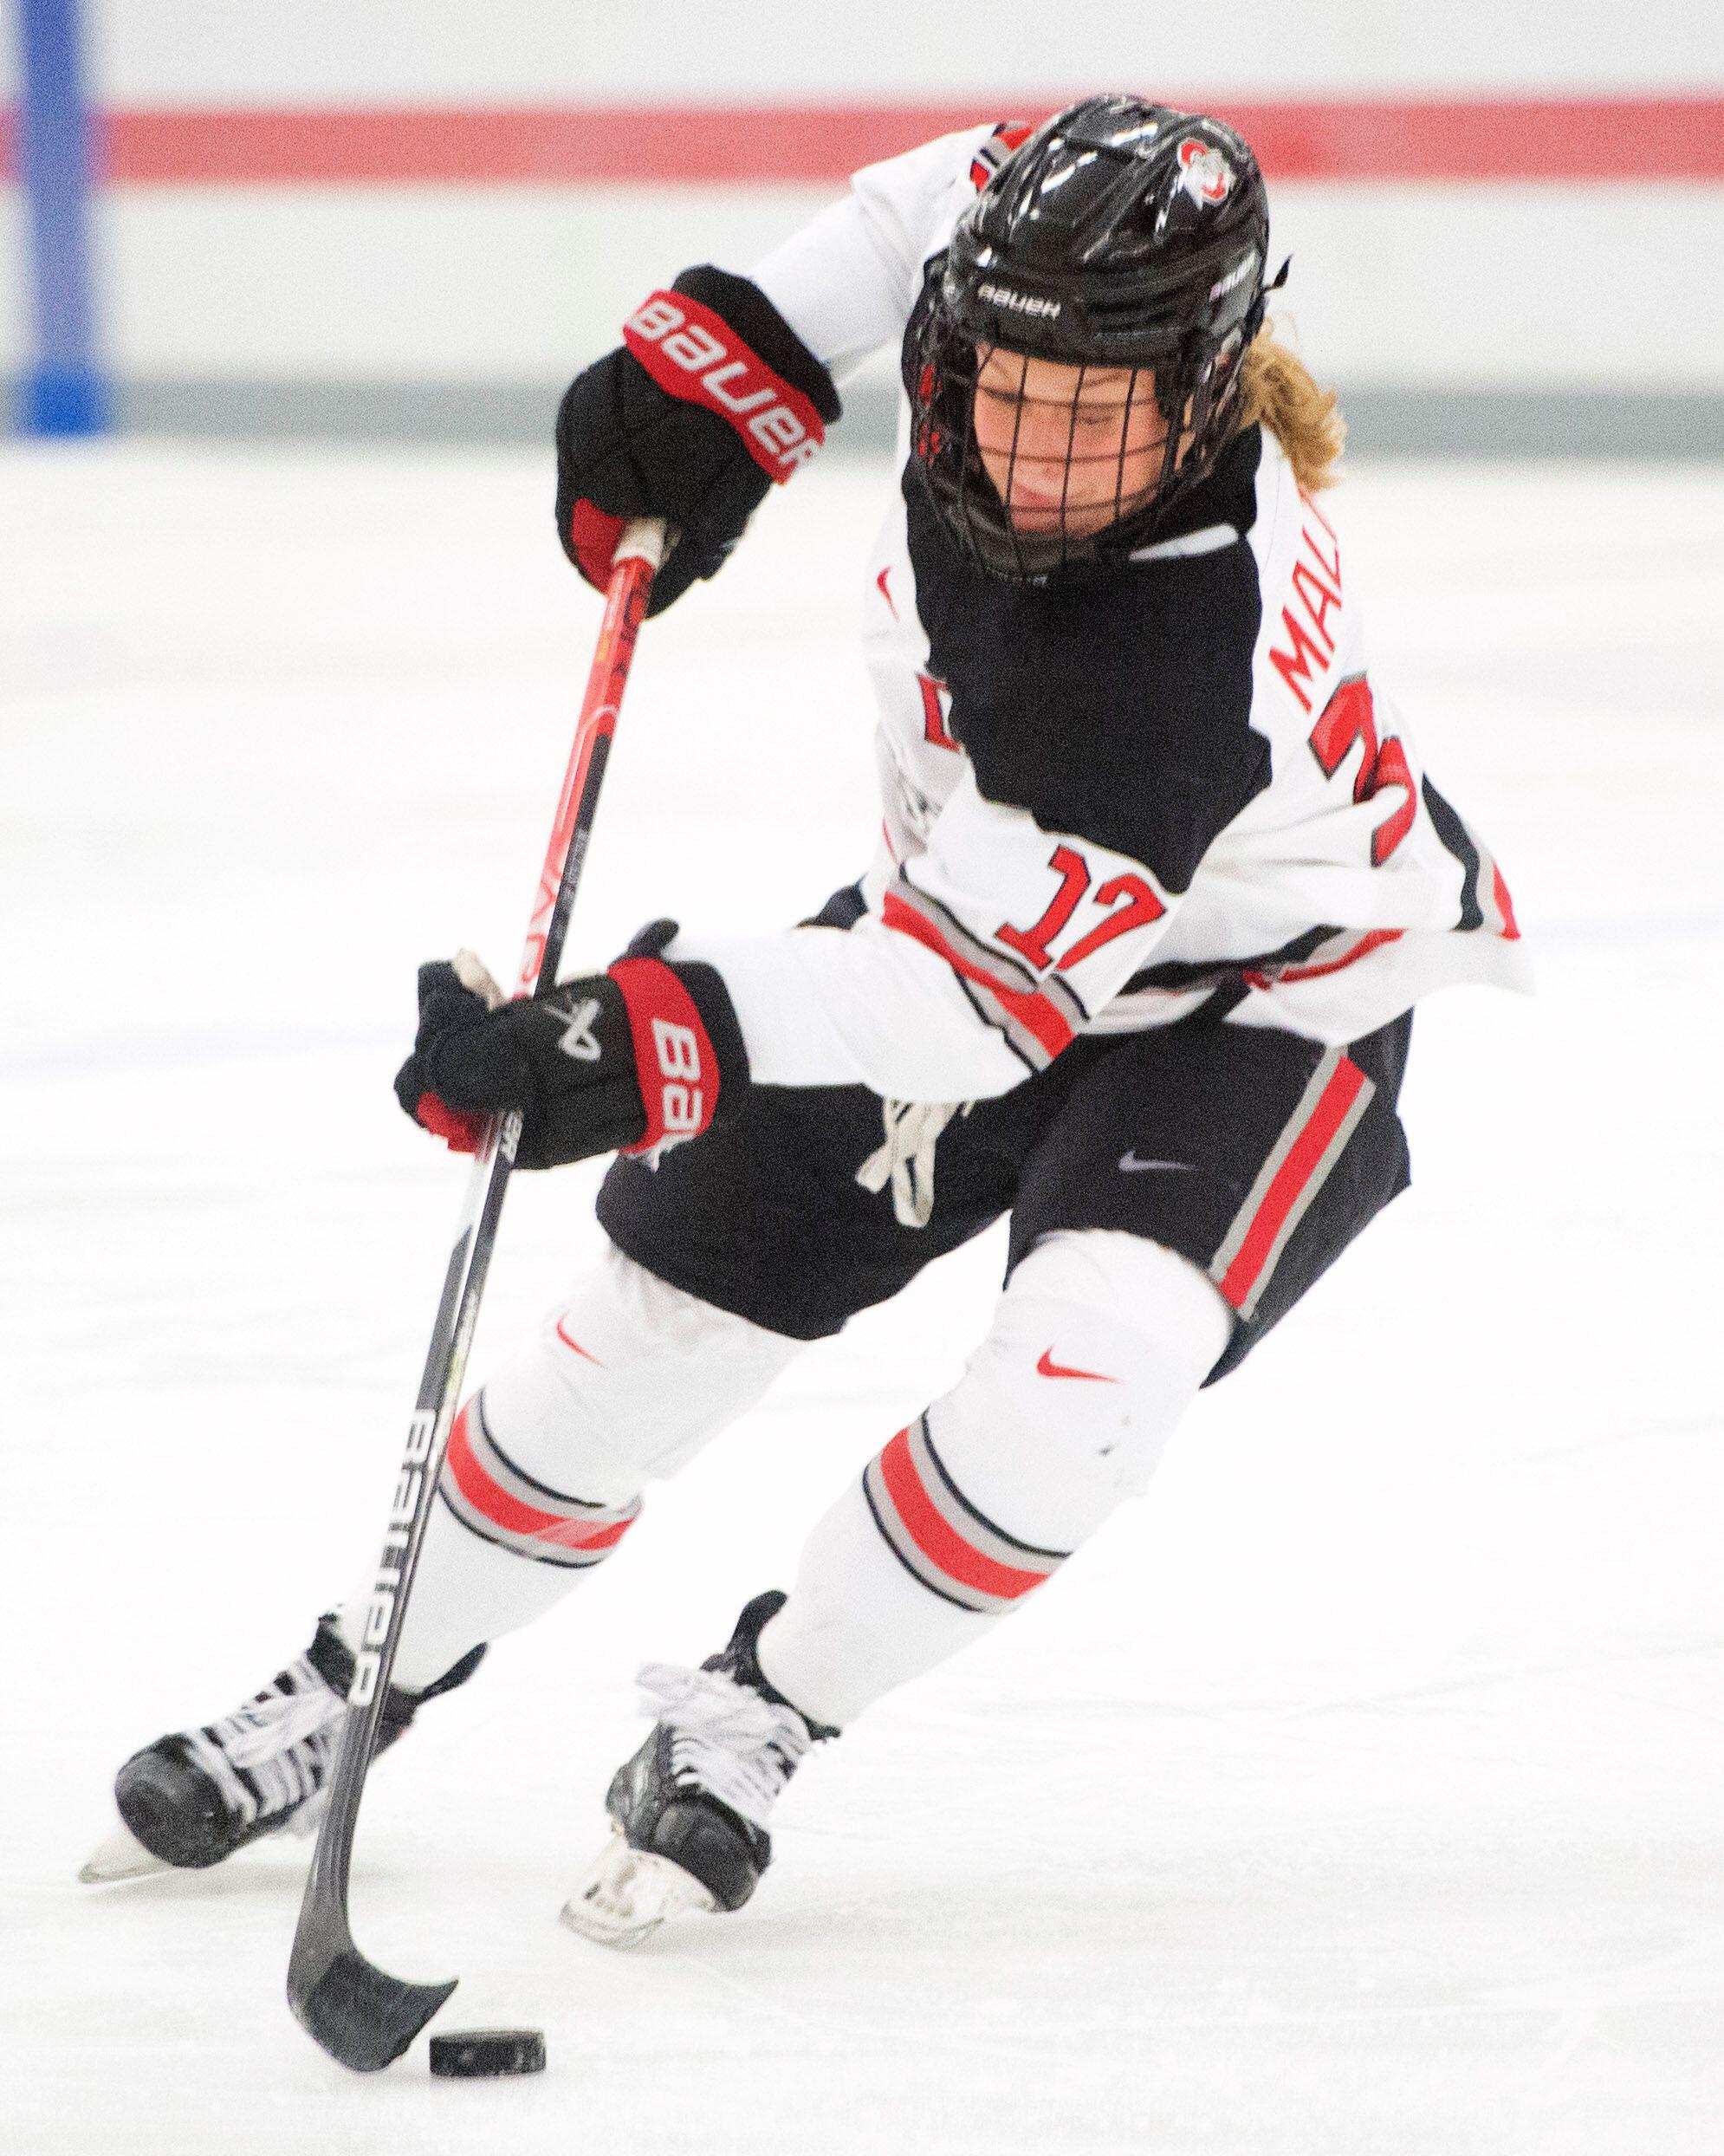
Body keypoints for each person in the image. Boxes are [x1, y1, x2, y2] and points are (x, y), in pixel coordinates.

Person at [84, 97, 1528, 1944]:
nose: (1033, 450)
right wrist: (728, 360)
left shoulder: (1173, 663)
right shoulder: (1024, 283)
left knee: (1085, 1379)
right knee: (646, 1326)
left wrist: (630, 1031)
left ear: (1204, 389)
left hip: (1265, 997)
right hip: (970, 919)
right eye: (1005, 380)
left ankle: (759, 1706)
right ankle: (345, 1676)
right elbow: (952, 184)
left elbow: (966, 1008)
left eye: (1099, 416)